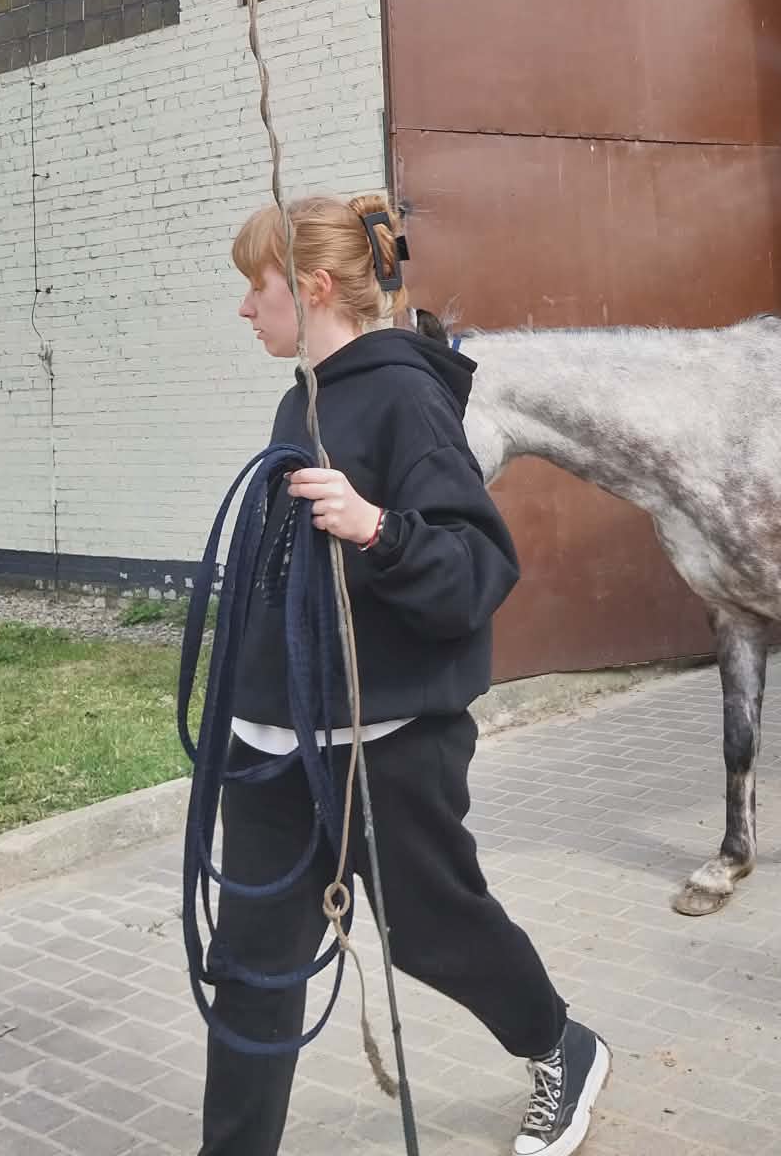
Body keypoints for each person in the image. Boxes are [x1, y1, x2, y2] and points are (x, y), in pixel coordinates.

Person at [199, 192, 609, 1156]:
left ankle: (564, 1045)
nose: (244, 310)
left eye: (254, 290)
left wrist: (379, 527)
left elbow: (475, 571)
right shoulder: (298, 397)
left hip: (382, 750)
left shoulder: (405, 399)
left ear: (312, 286)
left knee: (433, 934)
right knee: (252, 970)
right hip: (271, 745)